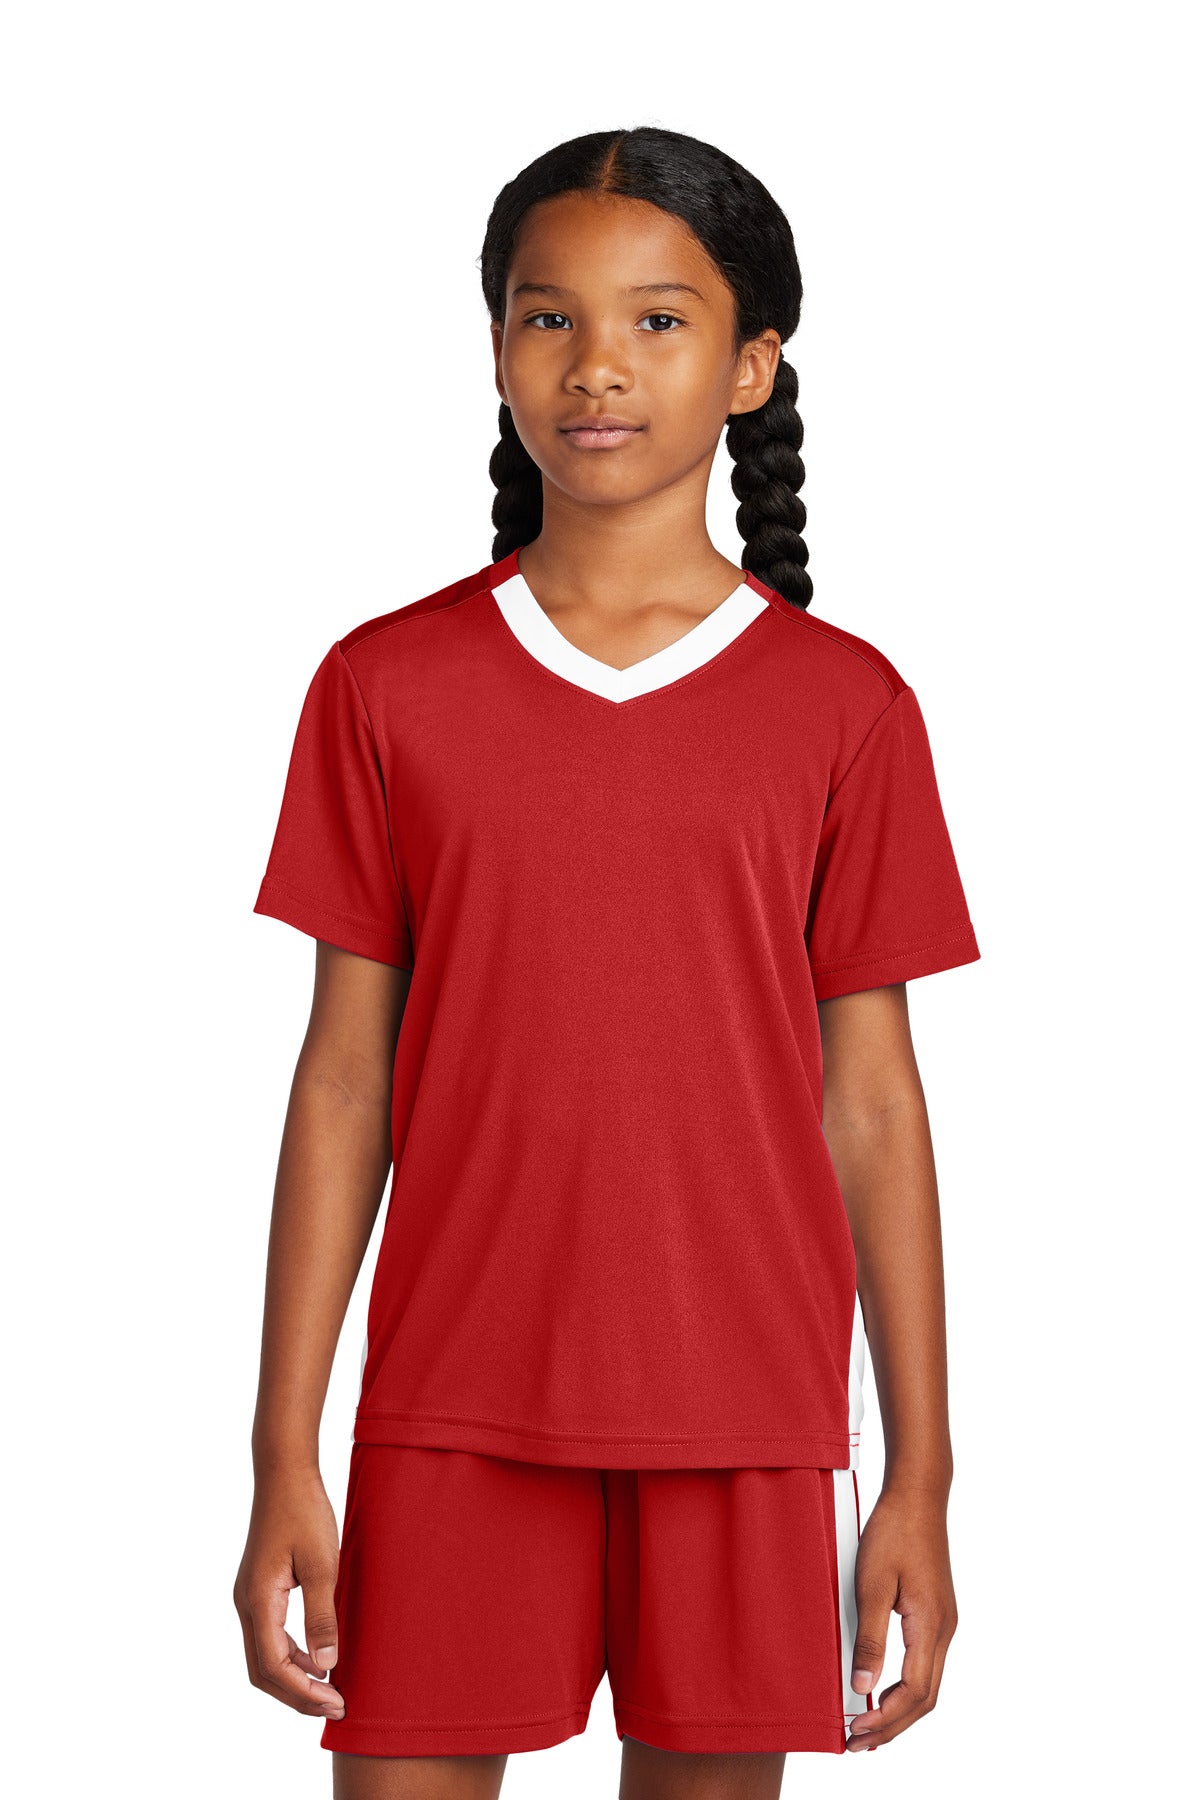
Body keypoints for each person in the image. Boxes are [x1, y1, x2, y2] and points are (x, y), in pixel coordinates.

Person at [233, 125, 981, 1800]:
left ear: (751, 365)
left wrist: (919, 1479)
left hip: (744, 1418)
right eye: (547, 316)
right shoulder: (383, 686)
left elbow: (873, 1104)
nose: (595, 366)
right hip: (451, 1403)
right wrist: (285, 1444)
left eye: (657, 320)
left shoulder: (847, 707)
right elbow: (345, 1079)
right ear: (497, 346)